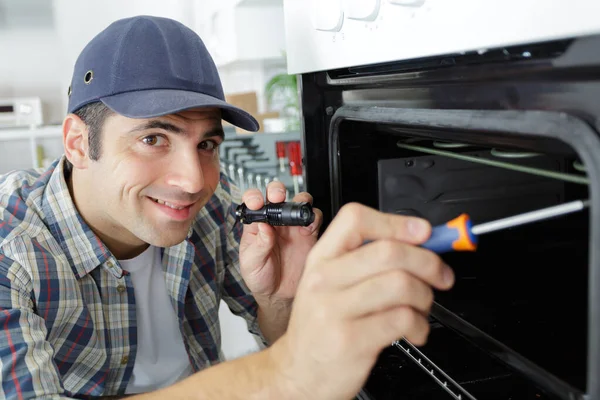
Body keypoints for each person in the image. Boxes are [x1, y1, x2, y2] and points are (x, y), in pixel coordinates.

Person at [0, 15, 455, 400]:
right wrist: (281, 371)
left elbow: (288, 341)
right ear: (78, 143)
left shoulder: (213, 210)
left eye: (207, 144)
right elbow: (292, 367)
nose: (194, 181)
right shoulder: (10, 251)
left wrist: (279, 298)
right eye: (153, 139)